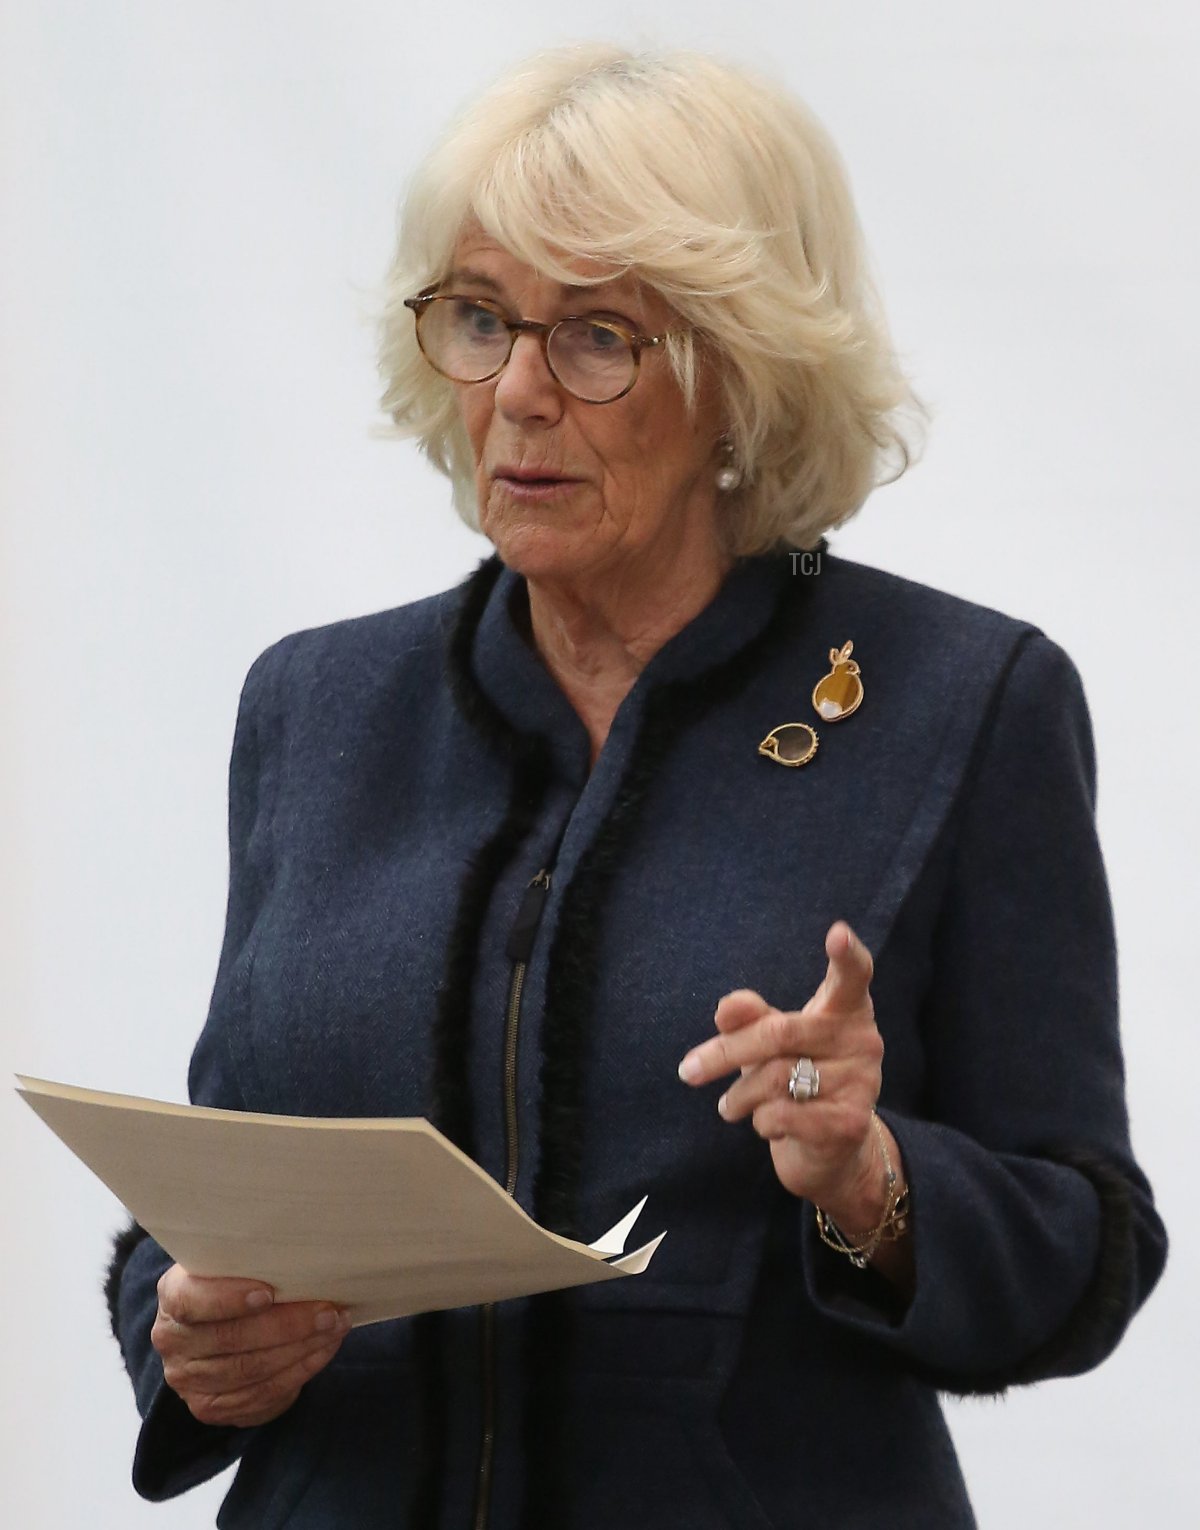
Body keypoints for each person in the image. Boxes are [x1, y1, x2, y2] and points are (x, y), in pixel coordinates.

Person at [105, 43, 1166, 1529]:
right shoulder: (315, 706)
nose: (520, 394)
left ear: (742, 373)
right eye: (480, 320)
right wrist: (191, 1327)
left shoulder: (963, 702)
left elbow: (1085, 1247)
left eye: (598, 337)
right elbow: (214, 1184)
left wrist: (873, 1182)